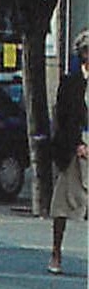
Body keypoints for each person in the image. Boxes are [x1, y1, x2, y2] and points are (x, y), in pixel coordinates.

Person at [47, 29, 89, 275]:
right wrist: (76, 143)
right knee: (63, 203)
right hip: (76, 147)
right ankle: (56, 250)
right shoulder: (71, 83)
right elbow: (63, 119)